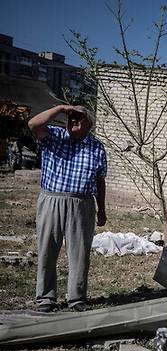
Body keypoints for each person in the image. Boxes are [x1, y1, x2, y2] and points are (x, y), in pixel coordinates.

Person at [28, 105, 107, 312]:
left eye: (79, 117)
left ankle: (76, 298)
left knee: (80, 253)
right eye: (70, 117)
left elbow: (100, 181)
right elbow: (33, 123)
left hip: (82, 203)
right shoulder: (54, 136)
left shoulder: (96, 146)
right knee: (47, 250)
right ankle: (45, 297)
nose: (73, 120)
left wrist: (102, 209)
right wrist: (62, 108)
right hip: (51, 200)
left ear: (89, 123)